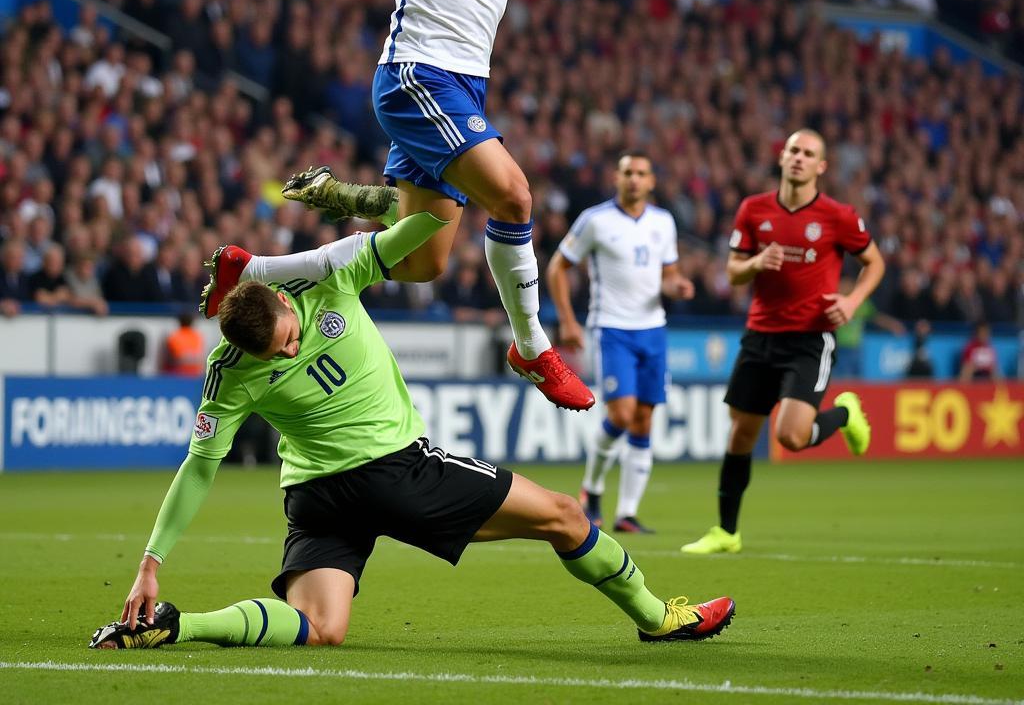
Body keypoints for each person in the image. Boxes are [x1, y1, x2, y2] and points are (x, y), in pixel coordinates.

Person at [150, 0, 750, 414]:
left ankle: (249, 272)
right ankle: (532, 344)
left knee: (422, 260)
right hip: (415, 76)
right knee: (514, 195)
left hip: (467, 85)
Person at [88, 213, 736, 650]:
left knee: (321, 626)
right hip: (397, 473)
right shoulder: (317, 294)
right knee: (566, 516)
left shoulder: (270, 329)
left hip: (317, 498)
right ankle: (658, 618)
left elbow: (415, 230)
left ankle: (181, 627)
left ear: (283, 300)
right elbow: (200, 464)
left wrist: (372, 201)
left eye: (287, 344)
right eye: (277, 357)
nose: (286, 356)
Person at [681, 129, 882, 556]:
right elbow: (733, 273)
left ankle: (844, 414)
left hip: (809, 339)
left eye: (808, 154)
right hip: (759, 336)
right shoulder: (754, 210)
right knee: (740, 434)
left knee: (790, 436)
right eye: (793, 150)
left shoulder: (838, 216)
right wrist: (757, 261)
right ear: (782, 157)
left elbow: (874, 262)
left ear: (820, 166)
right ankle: (726, 532)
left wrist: (852, 300)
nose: (798, 158)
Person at [546, 152, 693, 534]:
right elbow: (557, 267)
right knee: (622, 415)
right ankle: (592, 489)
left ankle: (627, 513)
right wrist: (566, 320)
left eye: (641, 173)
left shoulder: (663, 222)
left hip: (653, 329)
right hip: (612, 329)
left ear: (651, 182)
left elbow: (668, 273)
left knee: (644, 420)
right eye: (628, 172)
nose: (634, 179)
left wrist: (676, 285)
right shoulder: (595, 220)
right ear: (617, 177)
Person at [159, 313, 207, 378]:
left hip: (177, 373)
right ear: (191, 323)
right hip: (195, 373)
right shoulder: (198, 337)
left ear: (179, 322)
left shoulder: (174, 336)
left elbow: (166, 358)